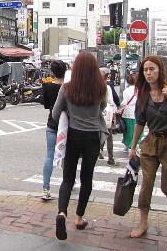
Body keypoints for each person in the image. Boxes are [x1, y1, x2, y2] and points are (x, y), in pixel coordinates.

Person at [129, 55, 167, 238]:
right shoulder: (144, 93)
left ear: (160, 70)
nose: (148, 73)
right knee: (146, 185)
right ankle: (143, 222)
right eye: (145, 70)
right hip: (151, 143)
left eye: (152, 69)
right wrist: (133, 147)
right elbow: (140, 122)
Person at [52, 52, 107, 241]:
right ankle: (79, 217)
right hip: (92, 138)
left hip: (73, 136)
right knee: (86, 178)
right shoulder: (101, 88)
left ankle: (61, 213)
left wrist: (69, 111)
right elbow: (103, 108)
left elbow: (55, 113)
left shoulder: (67, 88)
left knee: (68, 179)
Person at [41, 60, 67, 200]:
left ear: (52, 72)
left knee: (50, 155)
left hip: (52, 124)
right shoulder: (69, 87)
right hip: (67, 127)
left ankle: (46, 189)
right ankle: (68, 184)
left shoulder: (47, 86)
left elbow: (46, 105)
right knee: (68, 157)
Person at [99, 67, 120, 166]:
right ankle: (110, 158)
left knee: (99, 133)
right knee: (109, 135)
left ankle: (99, 151)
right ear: (107, 76)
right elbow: (111, 101)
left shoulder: (93, 85)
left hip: (96, 113)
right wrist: (115, 113)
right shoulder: (107, 86)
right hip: (107, 112)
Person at [119, 72, 139, 153]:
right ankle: (133, 145)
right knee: (134, 131)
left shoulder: (126, 91)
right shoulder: (139, 90)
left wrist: (119, 108)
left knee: (127, 131)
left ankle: (126, 146)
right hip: (136, 113)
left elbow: (124, 103)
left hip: (127, 113)